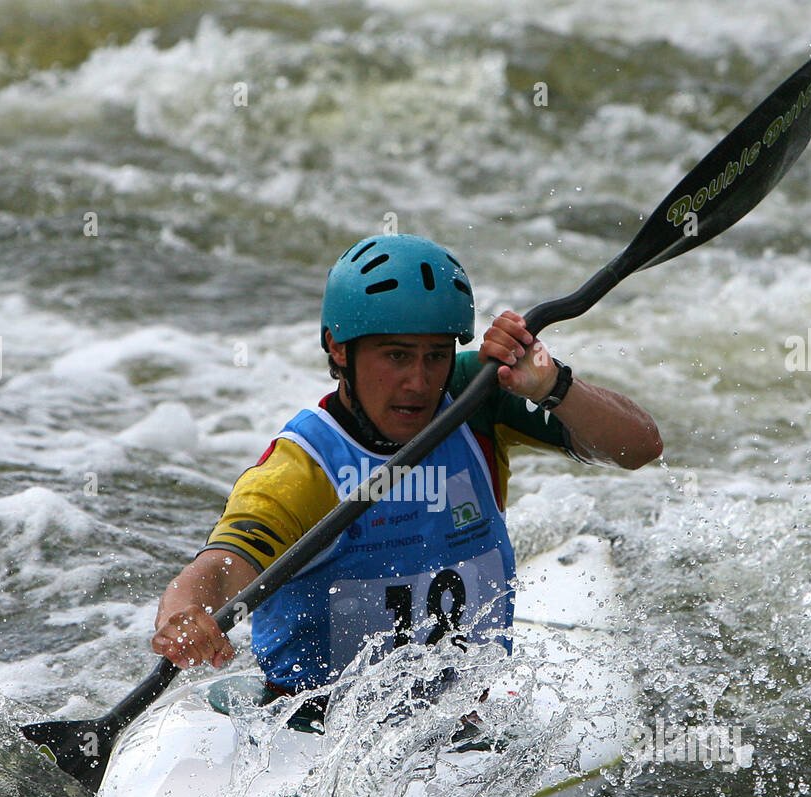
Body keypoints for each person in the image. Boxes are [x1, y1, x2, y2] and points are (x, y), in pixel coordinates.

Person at [152, 234, 661, 713]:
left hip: (462, 719)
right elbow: (221, 567)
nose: (419, 382)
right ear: (339, 348)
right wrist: (186, 616)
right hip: (315, 727)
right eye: (396, 355)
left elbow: (639, 447)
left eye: (435, 356)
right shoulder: (302, 471)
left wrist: (551, 383)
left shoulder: (475, 398)